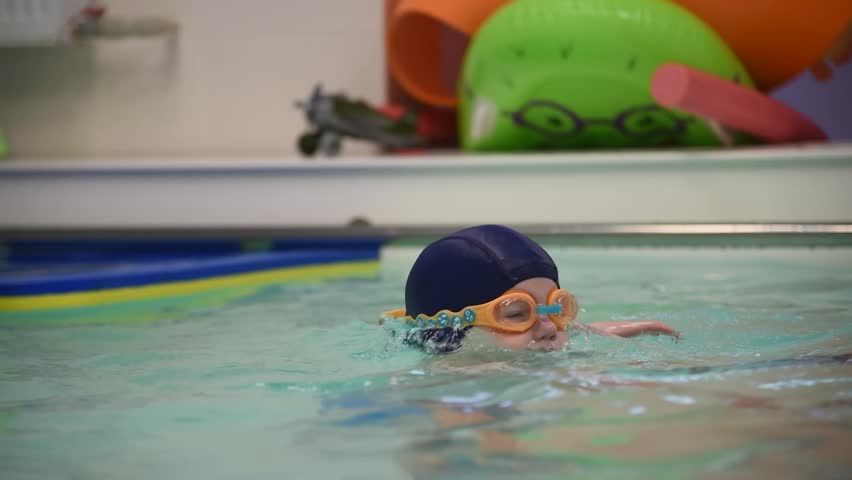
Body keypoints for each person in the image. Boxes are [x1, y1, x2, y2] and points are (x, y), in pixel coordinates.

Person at [383, 224, 679, 353]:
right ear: (447, 335)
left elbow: (576, 329)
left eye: (557, 307)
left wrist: (622, 329)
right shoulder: (446, 390)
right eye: (516, 314)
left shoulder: (544, 336)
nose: (550, 328)